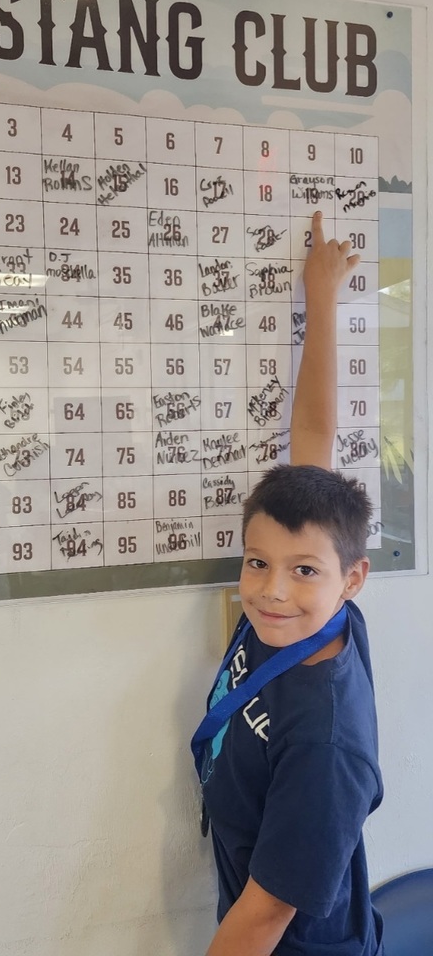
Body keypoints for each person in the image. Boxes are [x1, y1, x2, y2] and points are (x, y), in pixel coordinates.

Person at [192, 211, 384, 956]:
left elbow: (265, 920)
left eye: (305, 572)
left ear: (352, 580)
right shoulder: (305, 621)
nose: (273, 590)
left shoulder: (325, 745)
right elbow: (314, 434)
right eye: (256, 562)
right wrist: (321, 297)